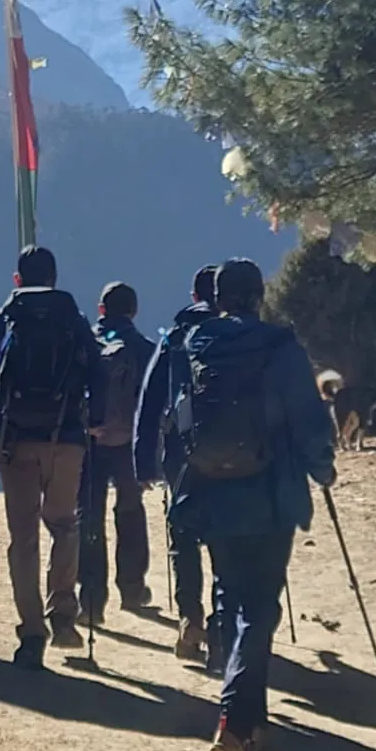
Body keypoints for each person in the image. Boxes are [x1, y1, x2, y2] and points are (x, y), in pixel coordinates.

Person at [168, 258, 335, 751]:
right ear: (260, 296)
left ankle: (249, 718)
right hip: (269, 494)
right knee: (259, 610)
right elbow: (307, 418)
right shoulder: (280, 348)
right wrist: (322, 467)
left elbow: (177, 418)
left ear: (216, 298)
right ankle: (236, 728)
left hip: (212, 492)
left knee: (232, 596)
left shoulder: (193, 345)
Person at [0, 245, 104, 669]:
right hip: (67, 440)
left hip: (16, 442)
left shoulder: (2, 320)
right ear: (56, 277)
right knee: (64, 524)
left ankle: (31, 634)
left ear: (17, 279)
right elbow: (98, 372)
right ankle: (63, 610)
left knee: (23, 538)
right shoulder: (75, 320)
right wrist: (94, 422)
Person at [134, 265, 219, 663]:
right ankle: (223, 623)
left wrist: (143, 463)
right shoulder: (246, 338)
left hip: (180, 454)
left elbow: (150, 403)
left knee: (182, 537)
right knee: (227, 538)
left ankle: (190, 617)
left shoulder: (175, 339)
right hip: (237, 453)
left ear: (193, 295)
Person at [78, 282, 156, 625]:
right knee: (130, 510)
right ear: (134, 311)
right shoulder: (145, 348)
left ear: (100, 309)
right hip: (129, 444)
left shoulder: (84, 345)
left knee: (89, 516)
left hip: (89, 443)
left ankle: (92, 598)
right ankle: (132, 587)